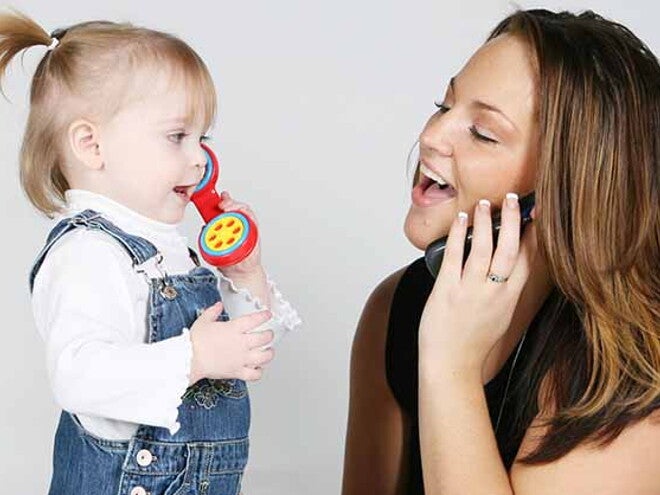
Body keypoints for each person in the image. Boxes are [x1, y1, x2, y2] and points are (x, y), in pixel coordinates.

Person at [342, 9, 659, 494]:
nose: (430, 136)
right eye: (444, 106)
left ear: (562, 192)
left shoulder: (629, 374)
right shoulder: (397, 307)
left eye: (483, 133)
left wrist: (450, 367)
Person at [0, 10, 301, 495]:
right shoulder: (88, 252)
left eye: (203, 139)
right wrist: (194, 356)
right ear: (92, 145)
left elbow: (251, 349)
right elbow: (78, 376)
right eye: (177, 136)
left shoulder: (173, 251)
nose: (199, 159)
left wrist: (245, 274)